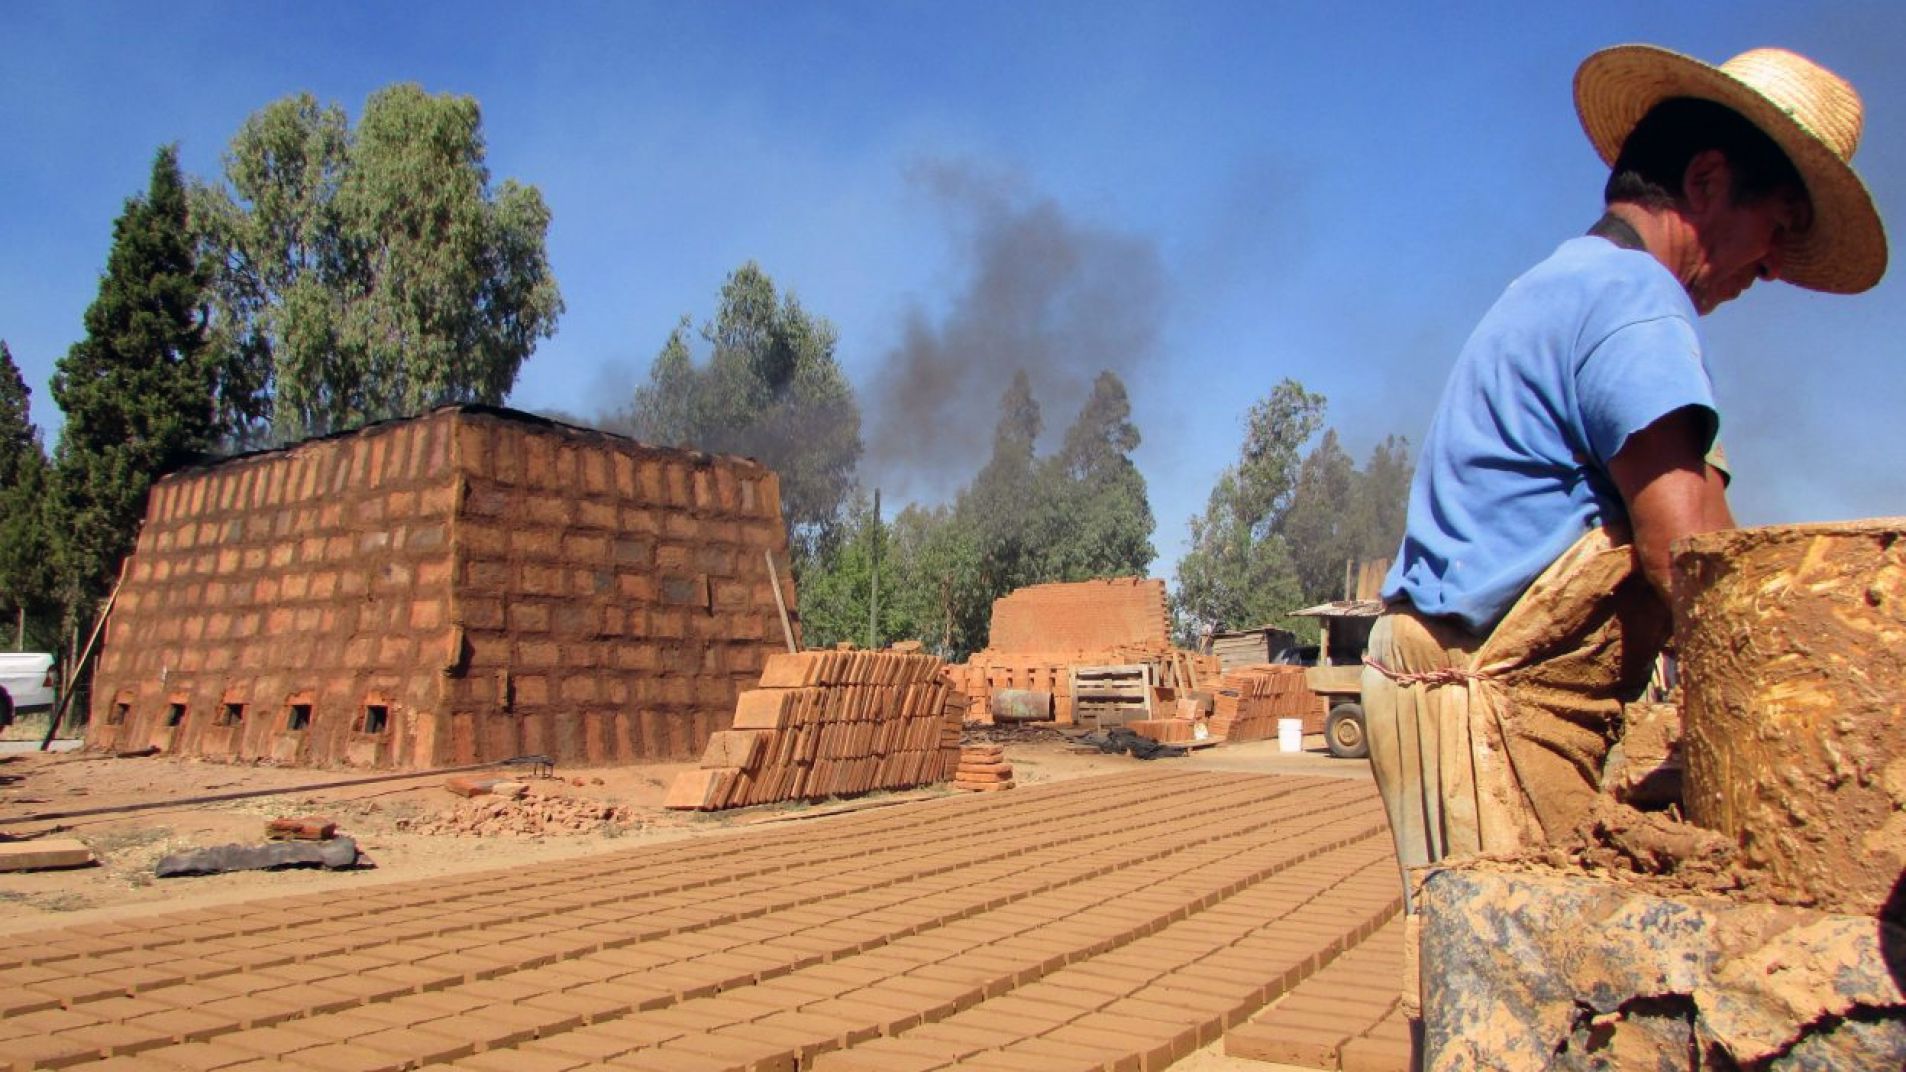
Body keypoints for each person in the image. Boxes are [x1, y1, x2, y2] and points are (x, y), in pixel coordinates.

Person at [1362, 45, 1888, 881]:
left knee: (1469, 972)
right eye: (1778, 227)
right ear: (1709, 183)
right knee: (1527, 985)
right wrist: (1813, 724)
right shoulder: (1638, 302)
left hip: (1445, 684)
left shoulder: (1565, 282)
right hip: (1495, 709)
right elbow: (1689, 557)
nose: (1776, 265)